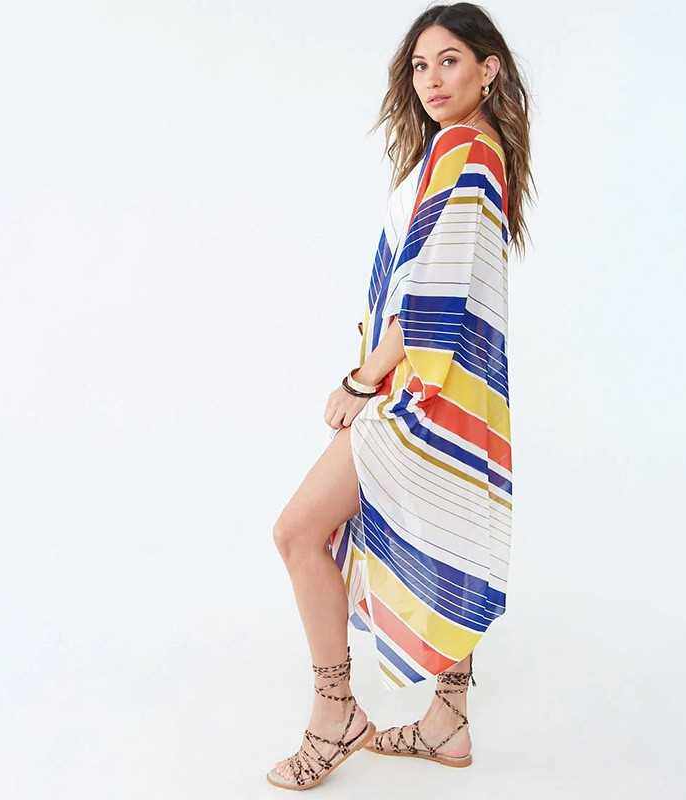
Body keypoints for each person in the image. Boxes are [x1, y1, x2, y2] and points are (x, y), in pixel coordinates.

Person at [266, 2, 534, 790]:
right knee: (439, 532)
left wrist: (363, 379)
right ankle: (448, 721)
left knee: (297, 532)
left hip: (422, 389)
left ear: (488, 68)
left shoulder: (466, 151)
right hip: (456, 391)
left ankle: (335, 714)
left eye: (449, 60)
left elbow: (433, 296)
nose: (431, 79)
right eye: (420, 65)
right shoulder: (472, 151)